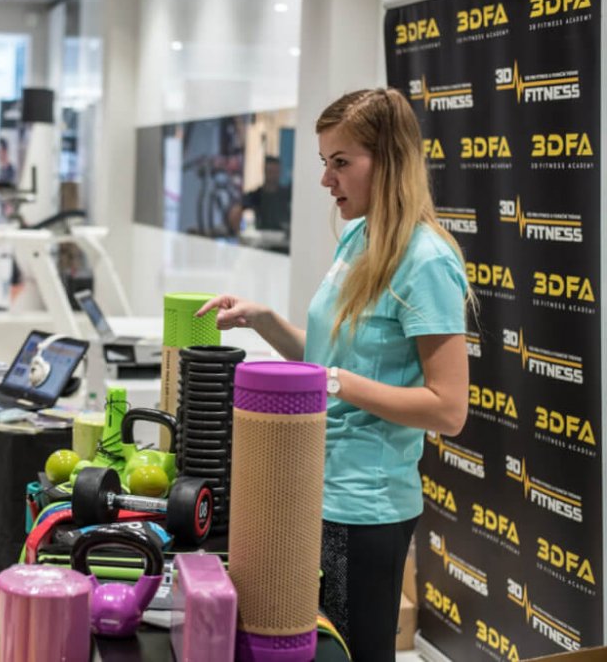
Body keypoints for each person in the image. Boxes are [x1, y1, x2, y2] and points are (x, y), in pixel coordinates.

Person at [198, 88, 472, 661]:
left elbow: (448, 409)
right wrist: (266, 322)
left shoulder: (427, 261)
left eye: (341, 162)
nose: (327, 180)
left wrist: (333, 384)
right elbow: (333, 358)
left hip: (366, 507)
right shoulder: (358, 236)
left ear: (390, 161)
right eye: (325, 162)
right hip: (310, 486)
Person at [228, 155, 292, 234]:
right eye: (270, 171)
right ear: (265, 171)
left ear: (280, 172)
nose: (273, 175)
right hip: (262, 240)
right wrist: (239, 234)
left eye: (275, 172)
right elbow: (236, 212)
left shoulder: (287, 194)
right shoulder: (256, 195)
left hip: (284, 240)